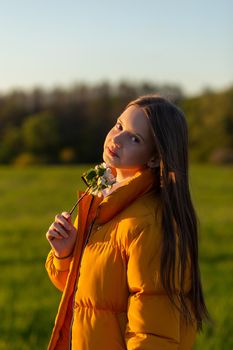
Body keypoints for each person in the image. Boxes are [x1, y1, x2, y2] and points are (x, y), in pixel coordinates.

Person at [45, 95, 210, 350]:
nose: (117, 139)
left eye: (135, 138)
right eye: (119, 126)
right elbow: (88, 294)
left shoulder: (149, 223)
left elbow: (153, 333)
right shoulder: (101, 201)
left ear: (155, 158)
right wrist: (65, 254)